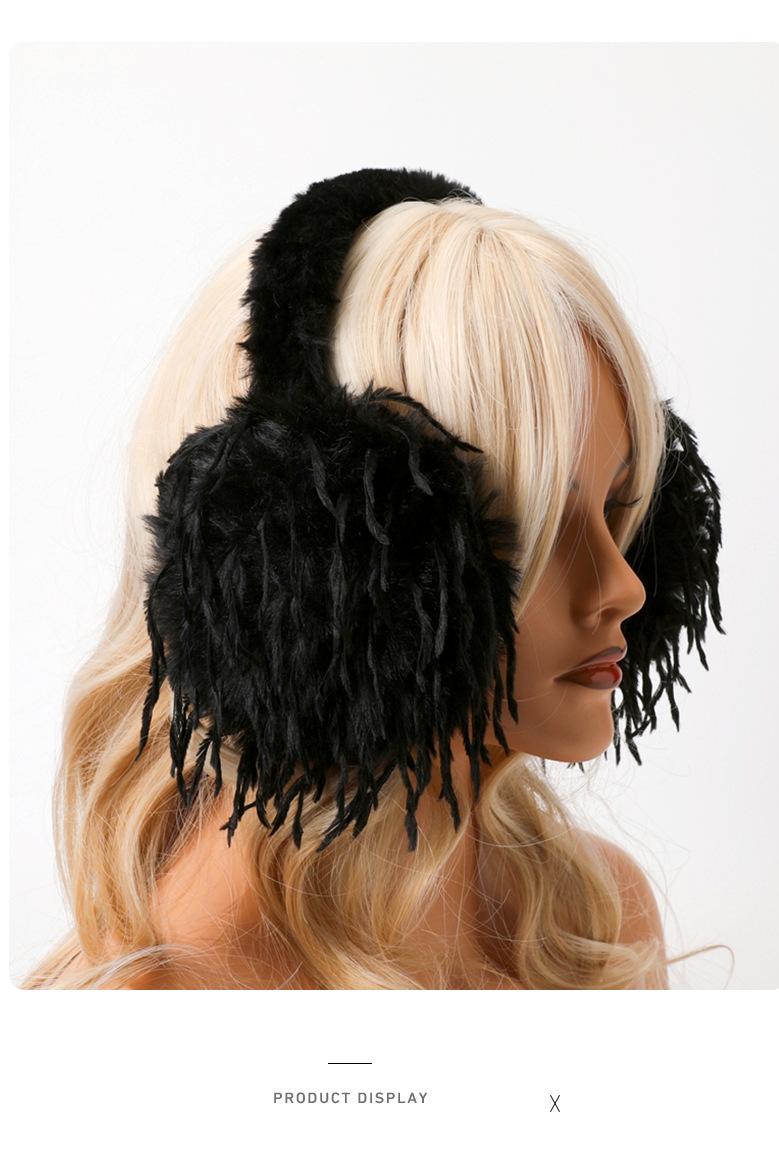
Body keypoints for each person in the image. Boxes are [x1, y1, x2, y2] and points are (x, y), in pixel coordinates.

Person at [23, 184, 712, 989]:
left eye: (621, 507)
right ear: (315, 555)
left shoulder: (597, 924)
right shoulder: (156, 1007)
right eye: (538, 522)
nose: (624, 586)